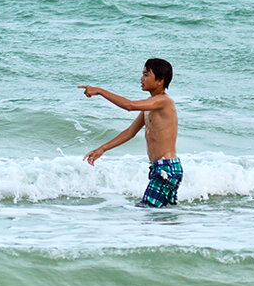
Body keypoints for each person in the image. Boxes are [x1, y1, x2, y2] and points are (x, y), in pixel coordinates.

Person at [78, 58, 182, 207]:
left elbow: (130, 105)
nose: (142, 79)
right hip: (160, 167)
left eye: (146, 75)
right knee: (160, 215)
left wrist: (100, 91)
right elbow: (130, 132)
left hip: (166, 167)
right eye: (142, 74)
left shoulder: (164, 101)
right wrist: (102, 148)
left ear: (160, 80)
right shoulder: (151, 104)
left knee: (146, 210)